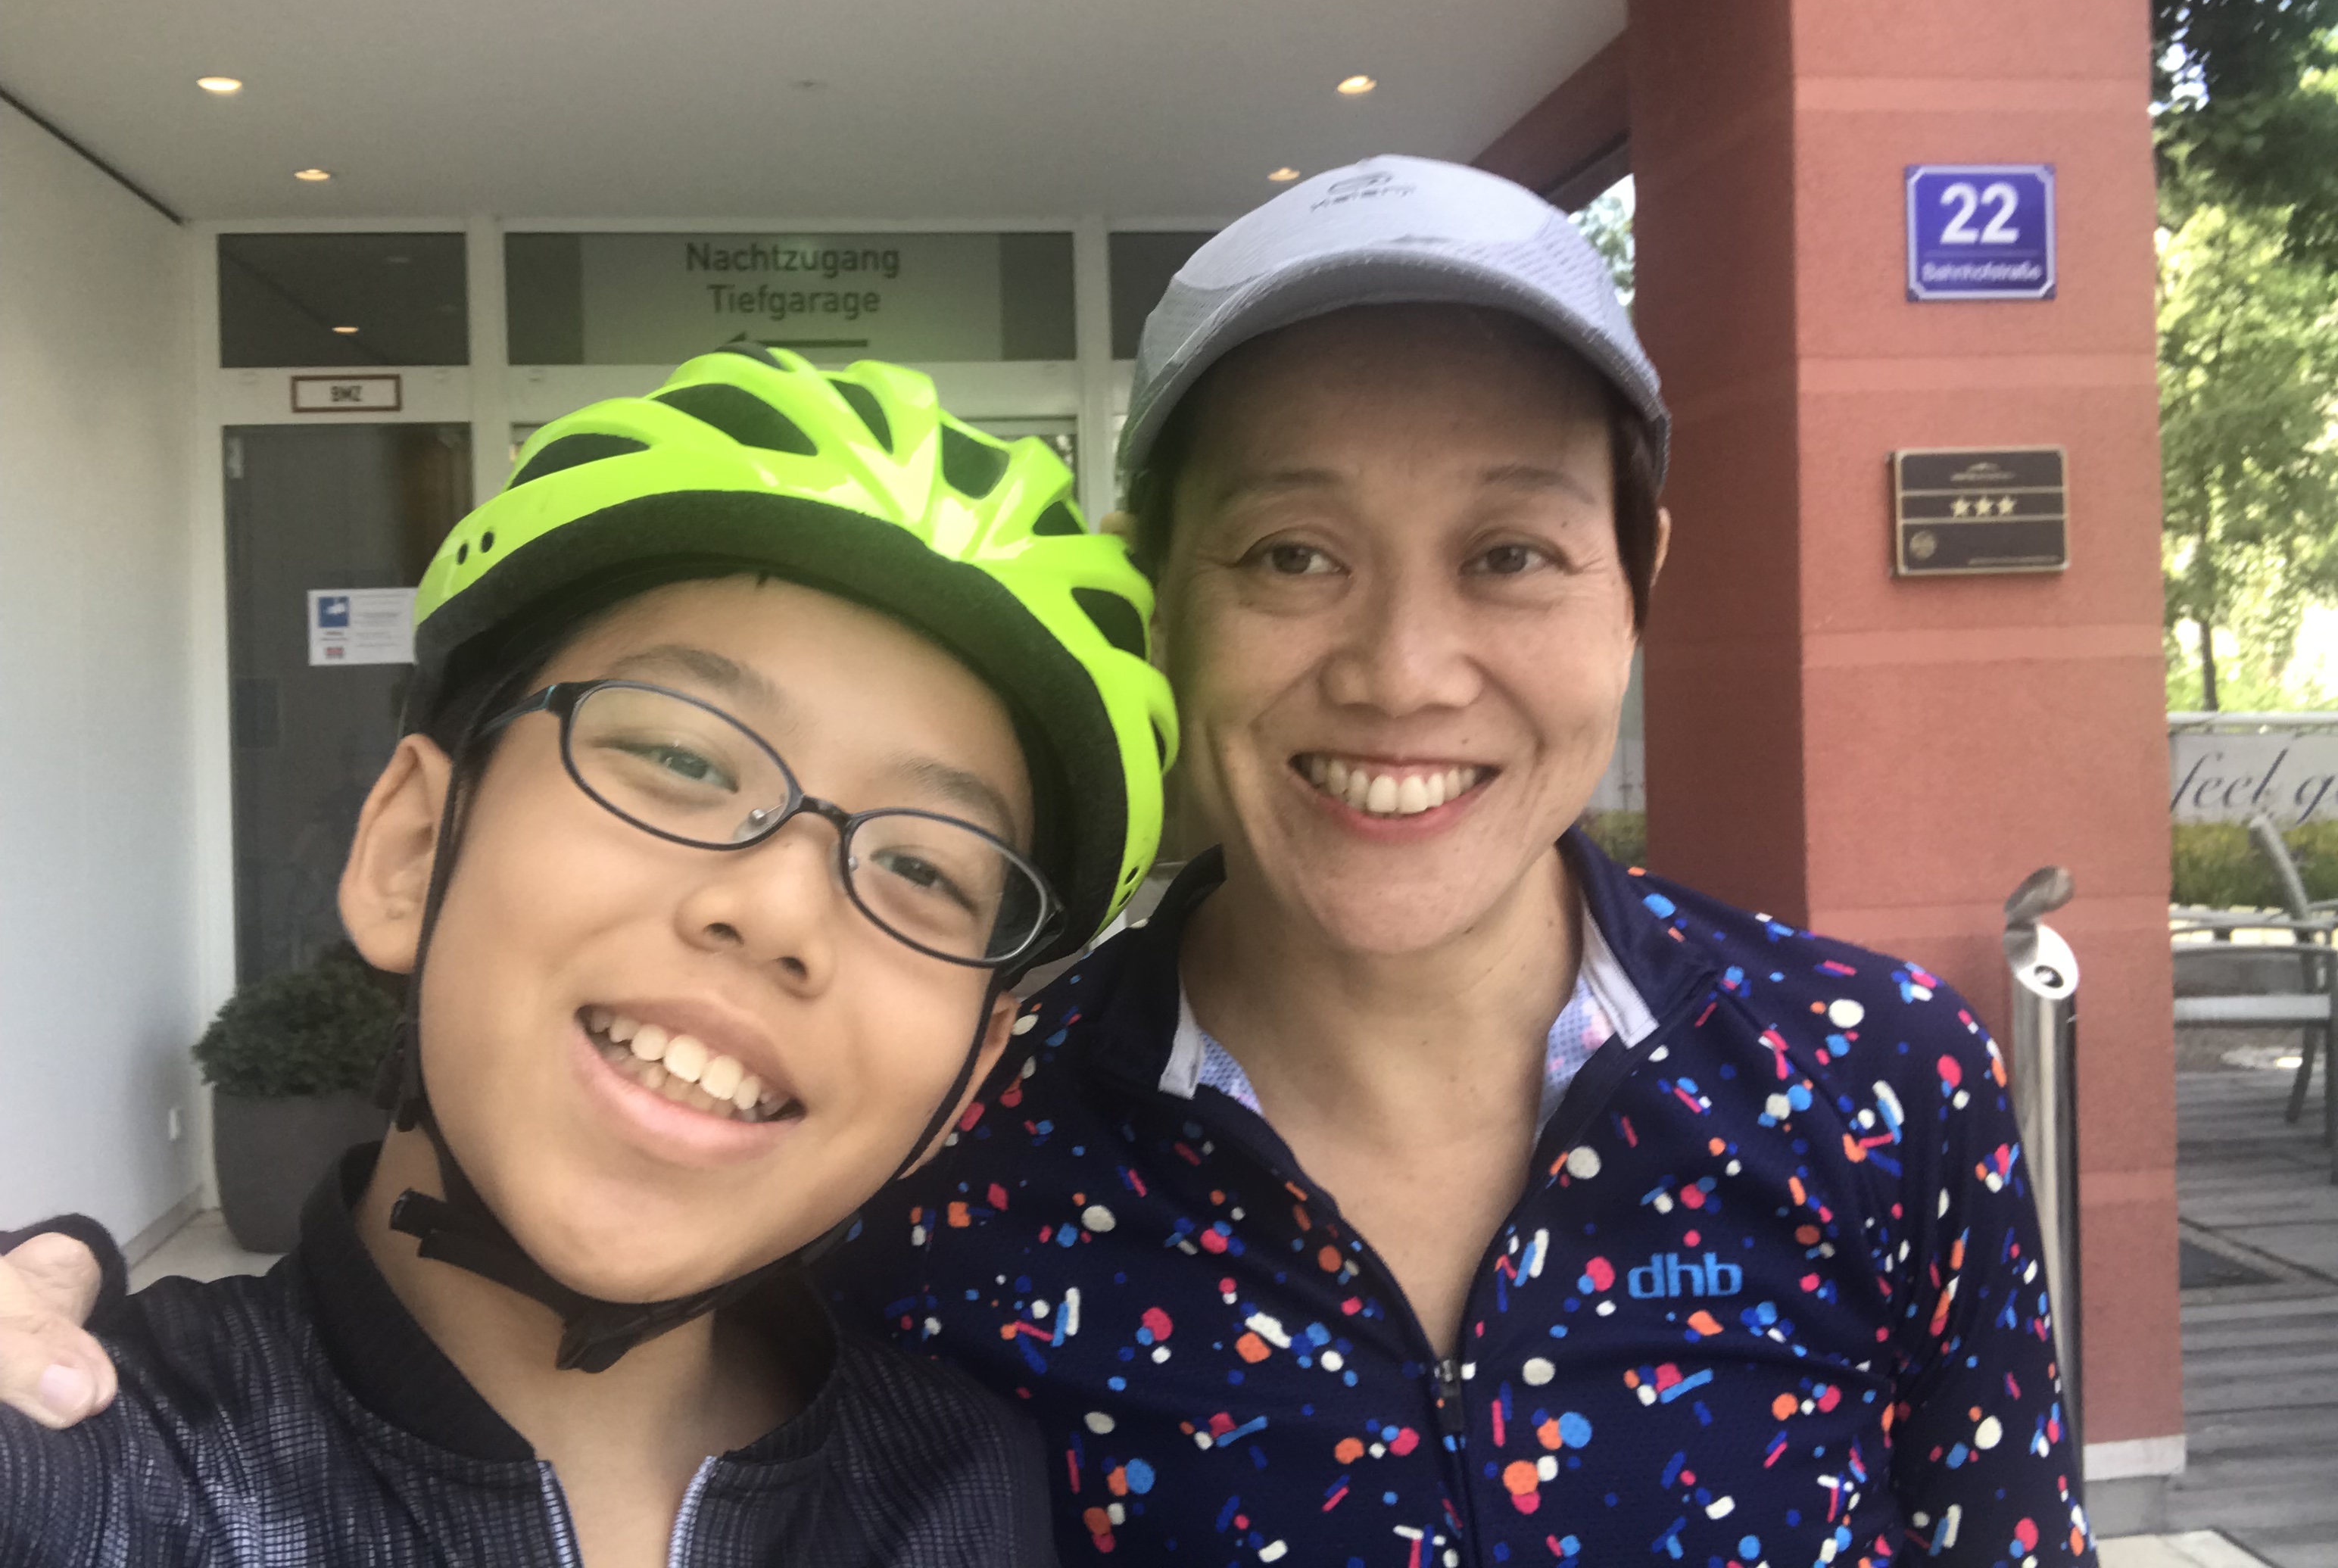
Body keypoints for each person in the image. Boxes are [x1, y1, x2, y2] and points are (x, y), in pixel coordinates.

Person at [5, 160, 2090, 1568]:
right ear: (1167, 598)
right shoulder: (964, 1168)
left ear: (1636, 584)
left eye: (1514, 554)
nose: (1403, 665)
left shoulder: (1875, 1085)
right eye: (1291, 552)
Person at [0, 348, 1174, 1566]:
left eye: (926, 870)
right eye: (679, 759)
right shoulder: (87, 1467)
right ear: (413, 851)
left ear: (972, 1075)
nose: (780, 908)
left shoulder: (966, 1489)